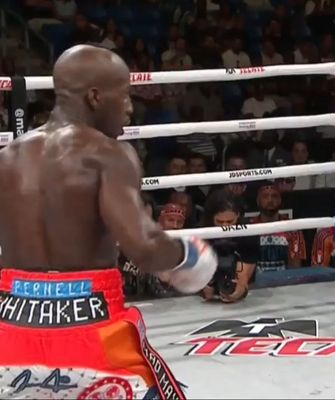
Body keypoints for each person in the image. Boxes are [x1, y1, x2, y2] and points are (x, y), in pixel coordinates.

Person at [0, 44, 218, 399]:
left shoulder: (7, 158)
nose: (130, 108)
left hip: (8, 333)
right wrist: (186, 255)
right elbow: (145, 248)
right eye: (126, 95)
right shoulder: (108, 154)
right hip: (91, 333)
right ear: (95, 97)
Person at [199, 189, 259, 303]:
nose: (225, 227)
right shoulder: (201, 234)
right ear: (211, 218)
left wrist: (239, 290)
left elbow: (243, 278)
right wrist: (201, 286)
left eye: (230, 221)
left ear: (238, 215)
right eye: (220, 222)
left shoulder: (249, 233)